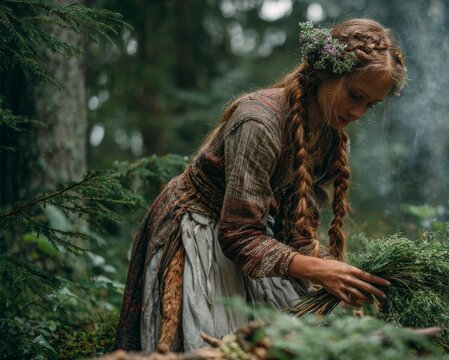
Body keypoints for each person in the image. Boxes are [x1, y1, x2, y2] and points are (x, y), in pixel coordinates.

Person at [115, 18, 407, 352]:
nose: (357, 112)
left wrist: (331, 273)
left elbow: (298, 226)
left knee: (292, 342)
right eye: (354, 95)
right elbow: (237, 235)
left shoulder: (330, 138)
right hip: (202, 232)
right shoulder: (258, 122)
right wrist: (319, 269)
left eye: (370, 104)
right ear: (326, 74)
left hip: (258, 237)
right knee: (216, 347)